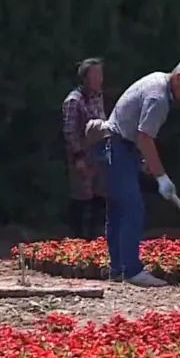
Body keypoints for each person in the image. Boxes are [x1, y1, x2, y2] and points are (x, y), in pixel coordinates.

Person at [101, 58, 180, 287]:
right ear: (179, 77)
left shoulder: (158, 79)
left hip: (117, 145)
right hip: (118, 146)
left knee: (119, 209)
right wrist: (162, 177)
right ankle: (130, 270)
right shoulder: (158, 98)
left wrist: (144, 161)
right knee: (131, 208)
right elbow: (144, 137)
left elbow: (139, 135)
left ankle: (118, 269)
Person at [61, 58, 107, 239]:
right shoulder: (74, 100)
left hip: (100, 154)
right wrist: (78, 157)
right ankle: (77, 240)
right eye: (95, 75)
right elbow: (70, 131)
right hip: (83, 154)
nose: (99, 79)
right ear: (85, 78)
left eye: (100, 74)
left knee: (100, 196)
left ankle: (95, 240)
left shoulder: (98, 97)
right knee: (81, 197)